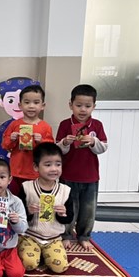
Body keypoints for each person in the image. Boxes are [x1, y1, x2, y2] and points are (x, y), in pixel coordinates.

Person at [56, 84, 108, 251]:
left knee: (88, 209)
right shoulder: (65, 124)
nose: (83, 109)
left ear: (94, 106)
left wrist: (93, 142)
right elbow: (58, 150)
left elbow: (103, 147)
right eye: (78, 105)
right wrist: (65, 142)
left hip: (90, 175)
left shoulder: (97, 125)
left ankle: (84, 236)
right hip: (68, 174)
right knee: (68, 207)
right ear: (70, 105)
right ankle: (66, 234)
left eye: (87, 106)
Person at [17, 143, 73, 274]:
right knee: (28, 264)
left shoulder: (65, 191)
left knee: (60, 267)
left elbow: (69, 218)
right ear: (36, 167)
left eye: (58, 164)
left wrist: (63, 214)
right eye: (48, 165)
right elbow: (17, 216)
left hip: (53, 238)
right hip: (31, 236)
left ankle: (45, 253)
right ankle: (32, 251)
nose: (54, 169)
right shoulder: (27, 187)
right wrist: (28, 211)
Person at [1, 84, 54, 196]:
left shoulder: (45, 127)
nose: (31, 106)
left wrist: (41, 142)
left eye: (36, 102)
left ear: (43, 106)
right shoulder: (14, 125)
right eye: (27, 102)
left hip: (37, 173)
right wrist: (12, 139)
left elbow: (51, 151)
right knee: (15, 200)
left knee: (33, 201)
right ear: (20, 105)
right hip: (16, 172)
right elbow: (5, 145)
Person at [0, 77, 40, 160]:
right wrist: (7, 154)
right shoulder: (7, 126)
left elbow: (49, 145)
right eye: (11, 101)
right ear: (2, 102)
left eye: (26, 102)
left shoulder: (41, 125)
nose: (18, 105)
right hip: (10, 163)